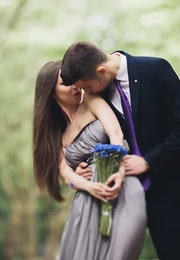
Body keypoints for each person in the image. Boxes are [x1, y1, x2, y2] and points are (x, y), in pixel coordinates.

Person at [60, 42, 180, 260]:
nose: (85, 94)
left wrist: (148, 161)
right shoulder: (100, 93)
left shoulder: (155, 69)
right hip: (119, 195)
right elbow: (97, 137)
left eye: (87, 88)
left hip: (167, 186)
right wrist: (80, 171)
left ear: (102, 71)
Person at [33, 60, 146, 260]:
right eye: (65, 83)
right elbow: (66, 173)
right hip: (88, 198)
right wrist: (87, 185)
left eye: (74, 80)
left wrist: (119, 171)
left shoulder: (91, 100)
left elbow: (116, 134)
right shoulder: (56, 135)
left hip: (122, 184)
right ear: (51, 93)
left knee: (123, 251)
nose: (75, 86)